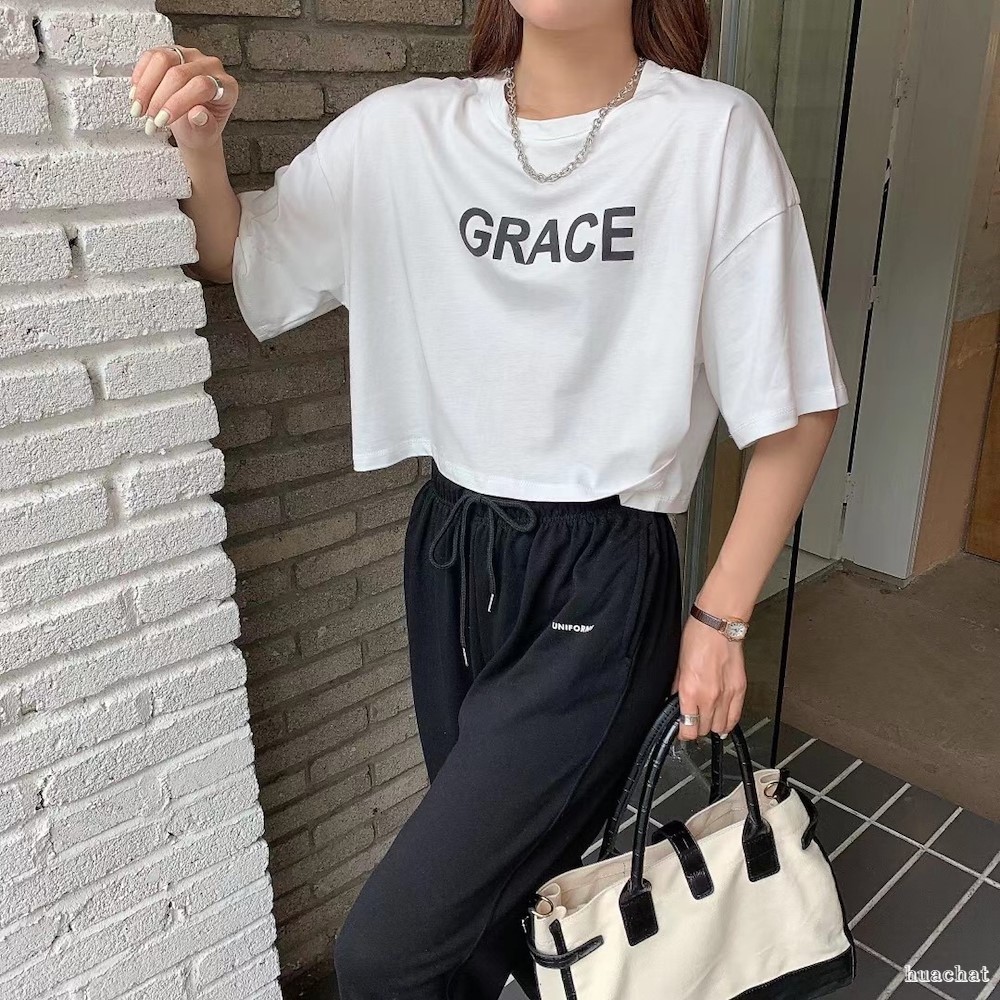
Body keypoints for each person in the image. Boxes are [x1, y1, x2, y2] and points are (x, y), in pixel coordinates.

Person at [130, 0, 850, 996]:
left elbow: (795, 406)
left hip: (603, 574)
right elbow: (238, 257)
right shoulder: (406, 131)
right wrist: (201, 146)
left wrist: (719, 618)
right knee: (493, 902)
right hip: (453, 551)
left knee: (387, 953)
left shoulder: (710, 135)